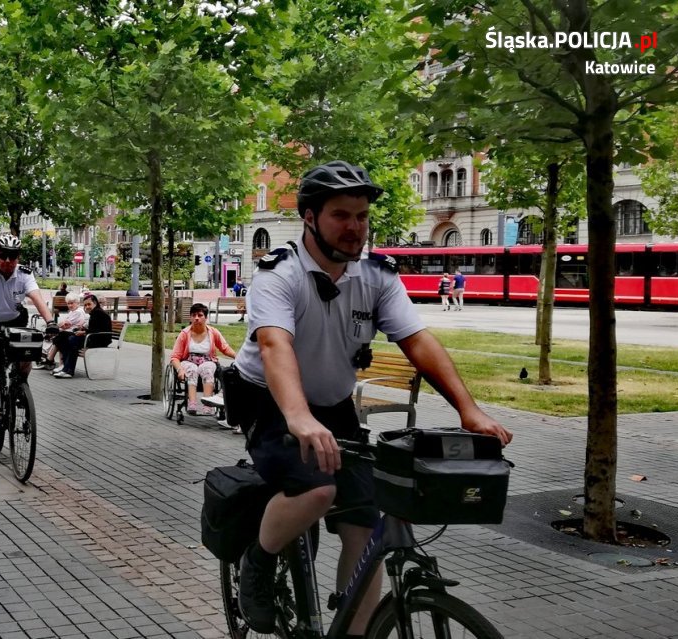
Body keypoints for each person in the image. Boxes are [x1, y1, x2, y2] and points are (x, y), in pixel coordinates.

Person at [232, 160, 512, 635]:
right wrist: (299, 419)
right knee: (317, 488)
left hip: (334, 404)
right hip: (268, 399)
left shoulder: (376, 276)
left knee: (366, 521)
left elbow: (418, 341)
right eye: (341, 215)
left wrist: (469, 410)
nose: (355, 228)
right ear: (309, 217)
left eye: (362, 216)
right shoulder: (279, 274)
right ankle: (258, 563)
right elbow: (275, 344)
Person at [0, 235, 55, 450]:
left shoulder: (25, 274)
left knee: (29, 353)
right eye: (3, 256)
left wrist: (52, 323)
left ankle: (20, 386)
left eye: (13, 256)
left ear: (18, 257)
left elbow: (37, 298)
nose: (8, 261)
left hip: (16, 322)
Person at [170, 303, 237, 415]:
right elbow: (175, 357)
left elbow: (225, 348)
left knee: (207, 368)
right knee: (191, 370)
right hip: (189, 360)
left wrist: (237, 357)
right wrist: (179, 369)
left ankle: (208, 404)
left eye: (200, 315)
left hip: (207, 360)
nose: (196, 318)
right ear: (190, 317)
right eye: (194, 315)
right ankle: (192, 403)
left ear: (206, 318)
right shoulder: (184, 334)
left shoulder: (213, 332)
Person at [54, 294, 111, 379]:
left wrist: (83, 332)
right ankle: (65, 366)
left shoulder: (98, 313)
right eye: (85, 305)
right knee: (62, 335)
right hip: (93, 337)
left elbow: (96, 331)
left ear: (95, 303)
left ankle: (68, 370)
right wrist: (83, 329)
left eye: (89, 304)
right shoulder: (95, 312)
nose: (87, 307)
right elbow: (94, 328)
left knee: (72, 340)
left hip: (99, 340)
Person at [38, 291, 86, 372]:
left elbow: (65, 324)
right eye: (68, 303)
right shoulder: (73, 311)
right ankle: (55, 361)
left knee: (58, 336)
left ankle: (50, 359)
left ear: (78, 303)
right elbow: (64, 324)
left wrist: (55, 326)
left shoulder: (78, 312)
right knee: (58, 336)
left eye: (72, 303)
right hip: (70, 333)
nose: (70, 305)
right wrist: (60, 326)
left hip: (75, 334)